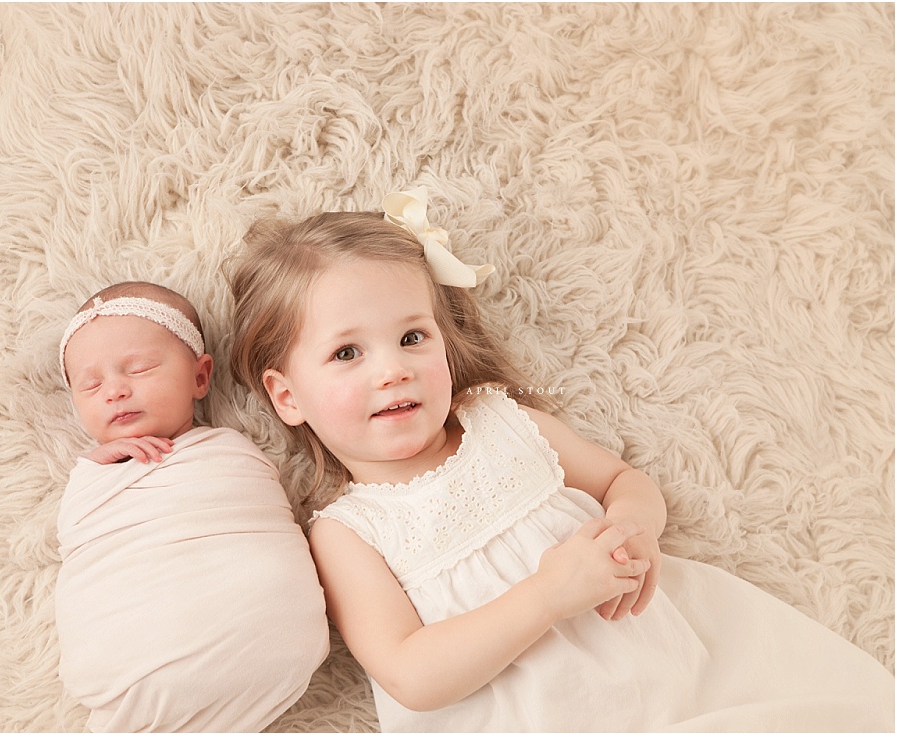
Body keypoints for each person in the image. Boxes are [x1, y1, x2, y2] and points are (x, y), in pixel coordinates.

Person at [228, 188, 895, 732]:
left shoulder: (501, 422)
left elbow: (622, 480)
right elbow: (411, 673)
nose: (393, 370)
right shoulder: (349, 530)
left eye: (411, 336)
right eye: (348, 353)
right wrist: (548, 593)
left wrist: (633, 524)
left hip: (670, 673)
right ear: (287, 395)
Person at [53, 281, 329, 733]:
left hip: (269, 642)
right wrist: (90, 470)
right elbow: (83, 547)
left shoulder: (231, 453)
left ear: (200, 377)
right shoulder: (91, 480)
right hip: (133, 660)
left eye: (138, 369)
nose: (115, 391)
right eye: (91, 384)